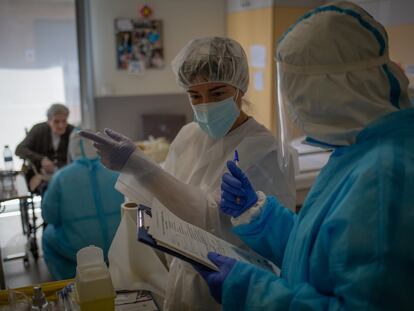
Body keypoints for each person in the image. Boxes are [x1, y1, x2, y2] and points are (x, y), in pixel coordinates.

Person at [195, 2, 414, 310]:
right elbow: (322, 250)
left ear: (333, 90)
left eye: (298, 96)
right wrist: (260, 216)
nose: (296, 112)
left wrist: (252, 291)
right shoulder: (356, 151)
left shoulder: (385, 174)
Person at [80, 37, 296, 310]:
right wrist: (133, 170)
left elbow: (211, 223)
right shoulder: (189, 134)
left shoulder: (264, 150)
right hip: (184, 276)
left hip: (237, 282)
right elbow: (161, 198)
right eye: (195, 95)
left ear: (240, 88)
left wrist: (139, 165)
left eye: (217, 93)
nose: (205, 104)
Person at [41, 130, 124, 280]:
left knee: (47, 235)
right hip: (119, 246)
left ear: (71, 149)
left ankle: (69, 282)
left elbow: (49, 216)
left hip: (79, 250)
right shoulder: (116, 171)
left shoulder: (60, 177)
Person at [15, 103, 74, 192]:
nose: (61, 125)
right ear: (49, 121)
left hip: (66, 173)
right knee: (51, 188)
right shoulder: (38, 129)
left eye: (64, 121)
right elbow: (20, 149)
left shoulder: (72, 131)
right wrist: (41, 159)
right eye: (56, 121)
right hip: (41, 174)